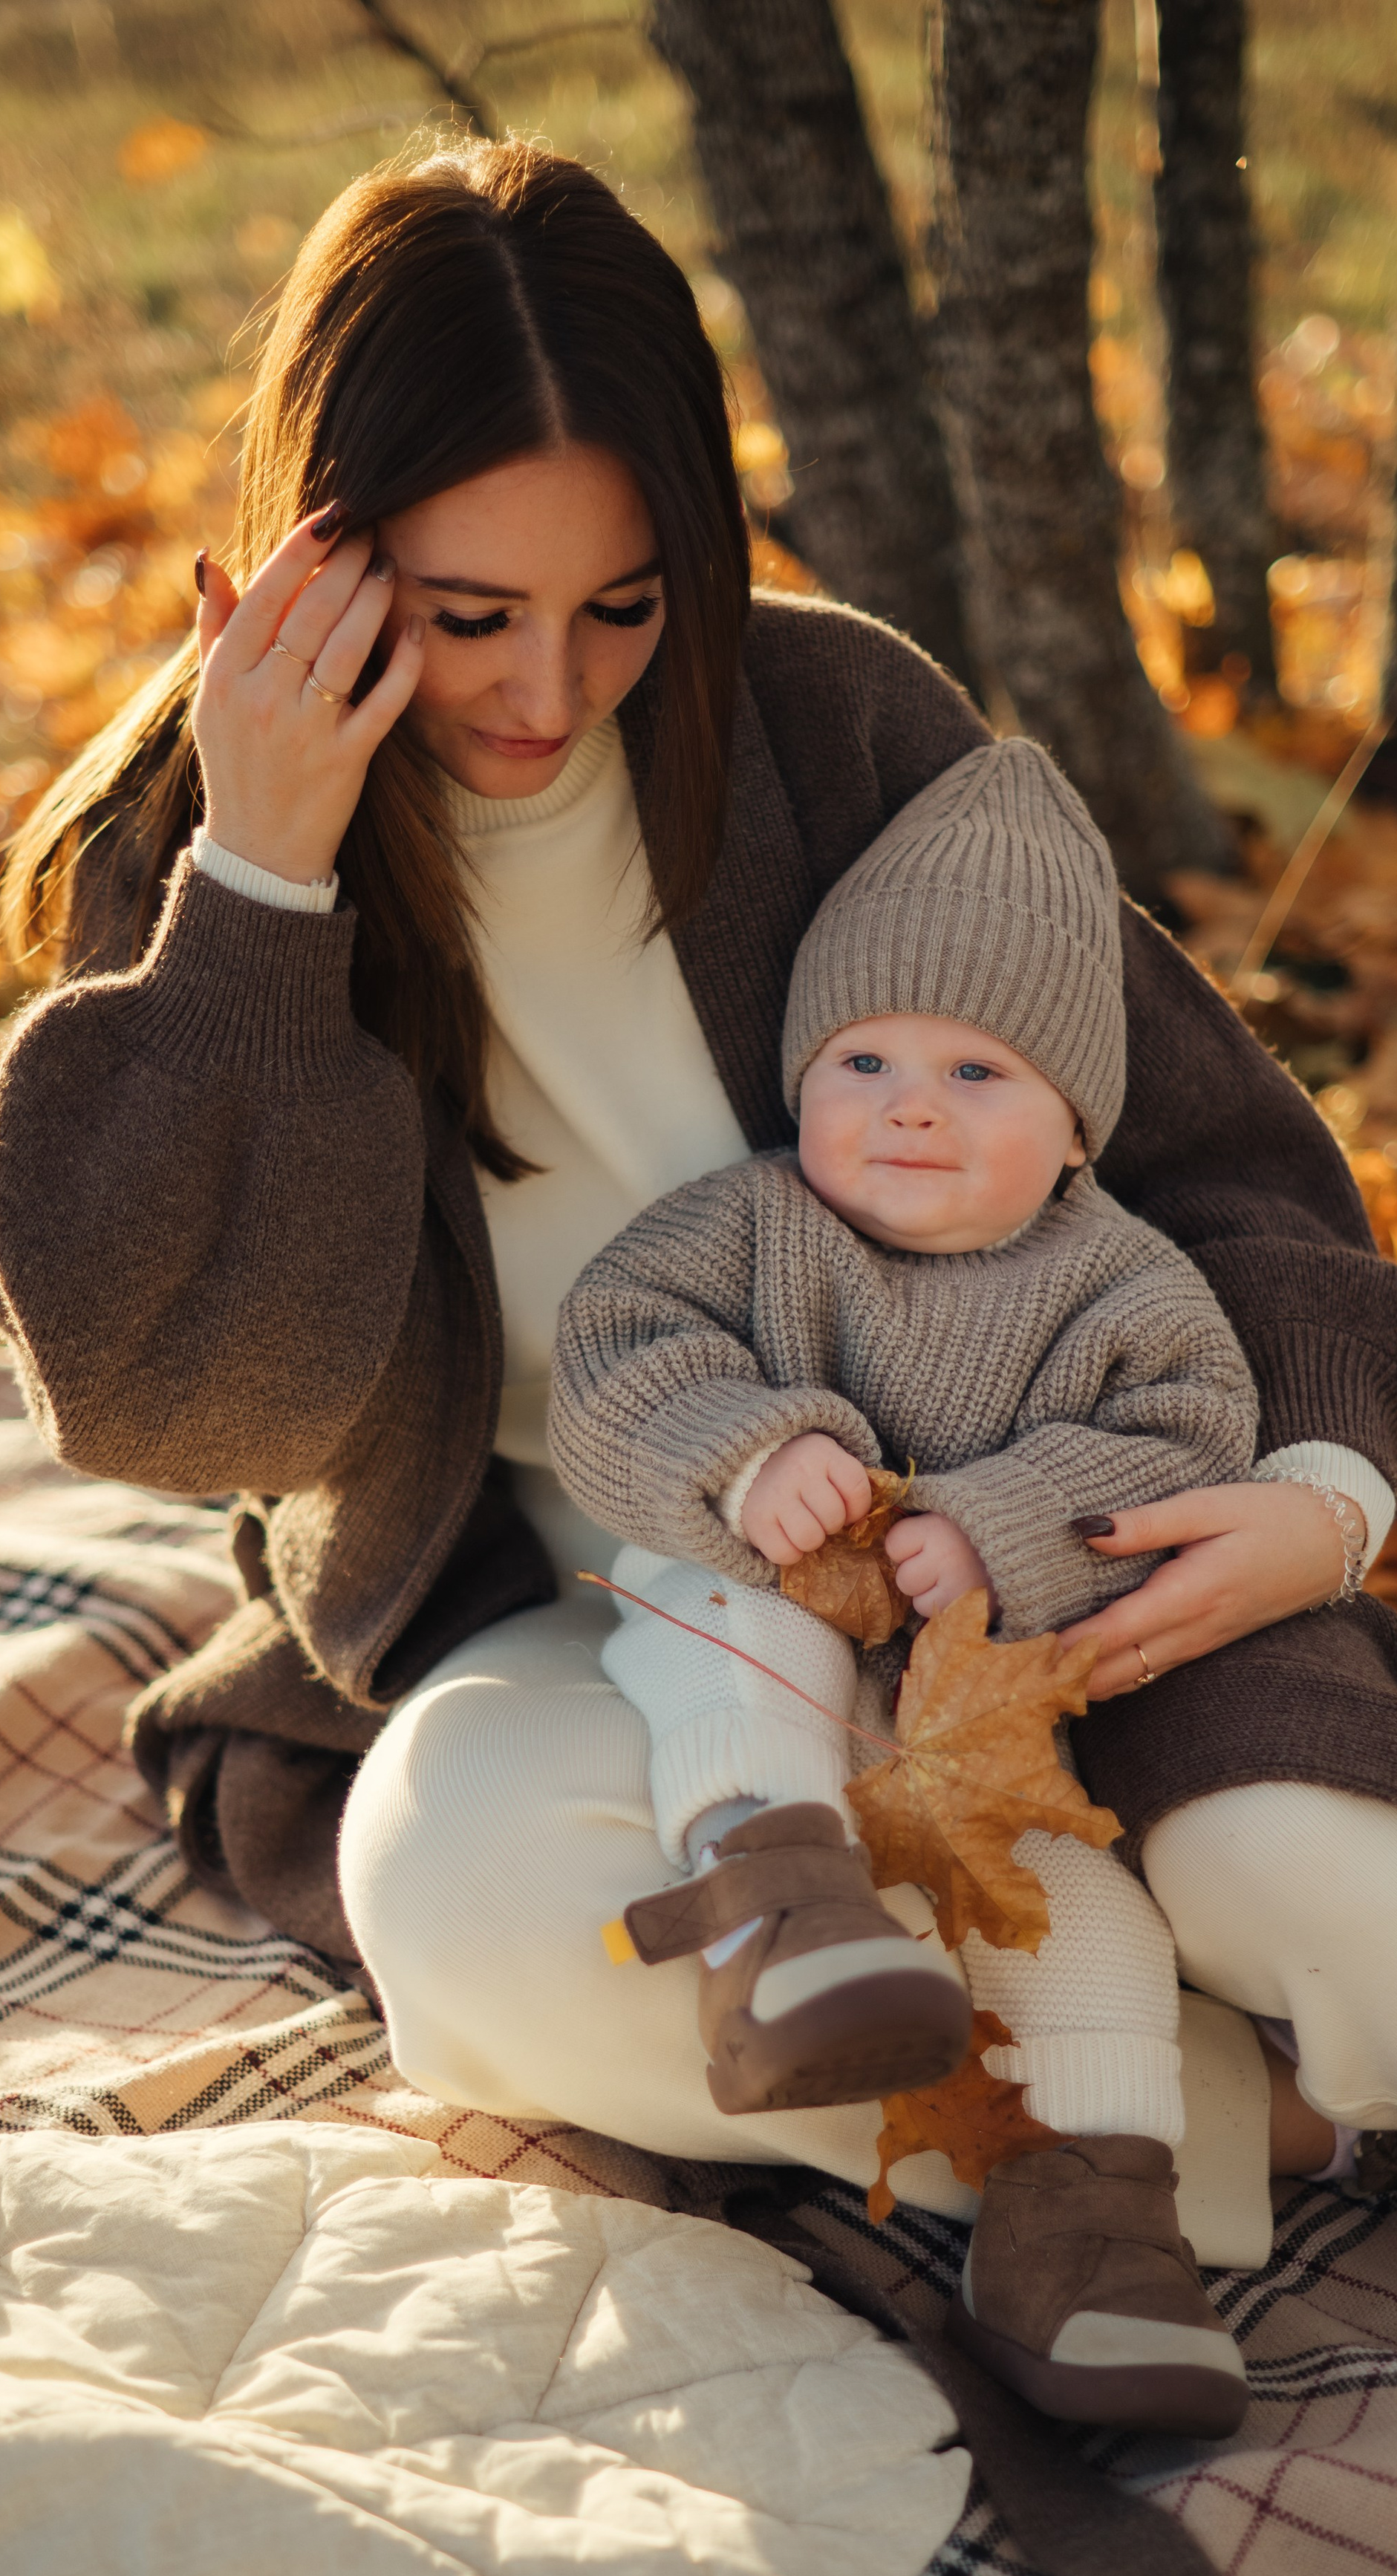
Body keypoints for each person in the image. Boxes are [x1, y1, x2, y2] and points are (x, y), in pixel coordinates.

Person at [0, 139, 1397, 2324]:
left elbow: (1223, 1164)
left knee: (1302, 1839)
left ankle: (1311, 2018)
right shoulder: (204, 848)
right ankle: (1189, 2109)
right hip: (607, 1623)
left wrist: (1321, 1491)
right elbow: (176, 1402)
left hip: (1022, 1549)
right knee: (461, 1894)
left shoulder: (834, 725)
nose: (544, 694)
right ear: (315, 555)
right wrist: (268, 893)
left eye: (622, 605)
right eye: (467, 614)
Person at [548, 733, 1265, 2431]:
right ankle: (778, 1919)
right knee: (737, 1619)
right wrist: (746, 1448)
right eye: (859, 1056)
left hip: (981, 1716)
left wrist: (1004, 1521)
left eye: (976, 1071)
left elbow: (1189, 1436)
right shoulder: (740, 1229)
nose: (908, 1104)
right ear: (797, 1079)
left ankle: (1091, 2236)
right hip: (746, 1620)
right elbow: (609, 1356)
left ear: (1077, 1125)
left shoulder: (1122, 1285)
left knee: (1083, 1916)